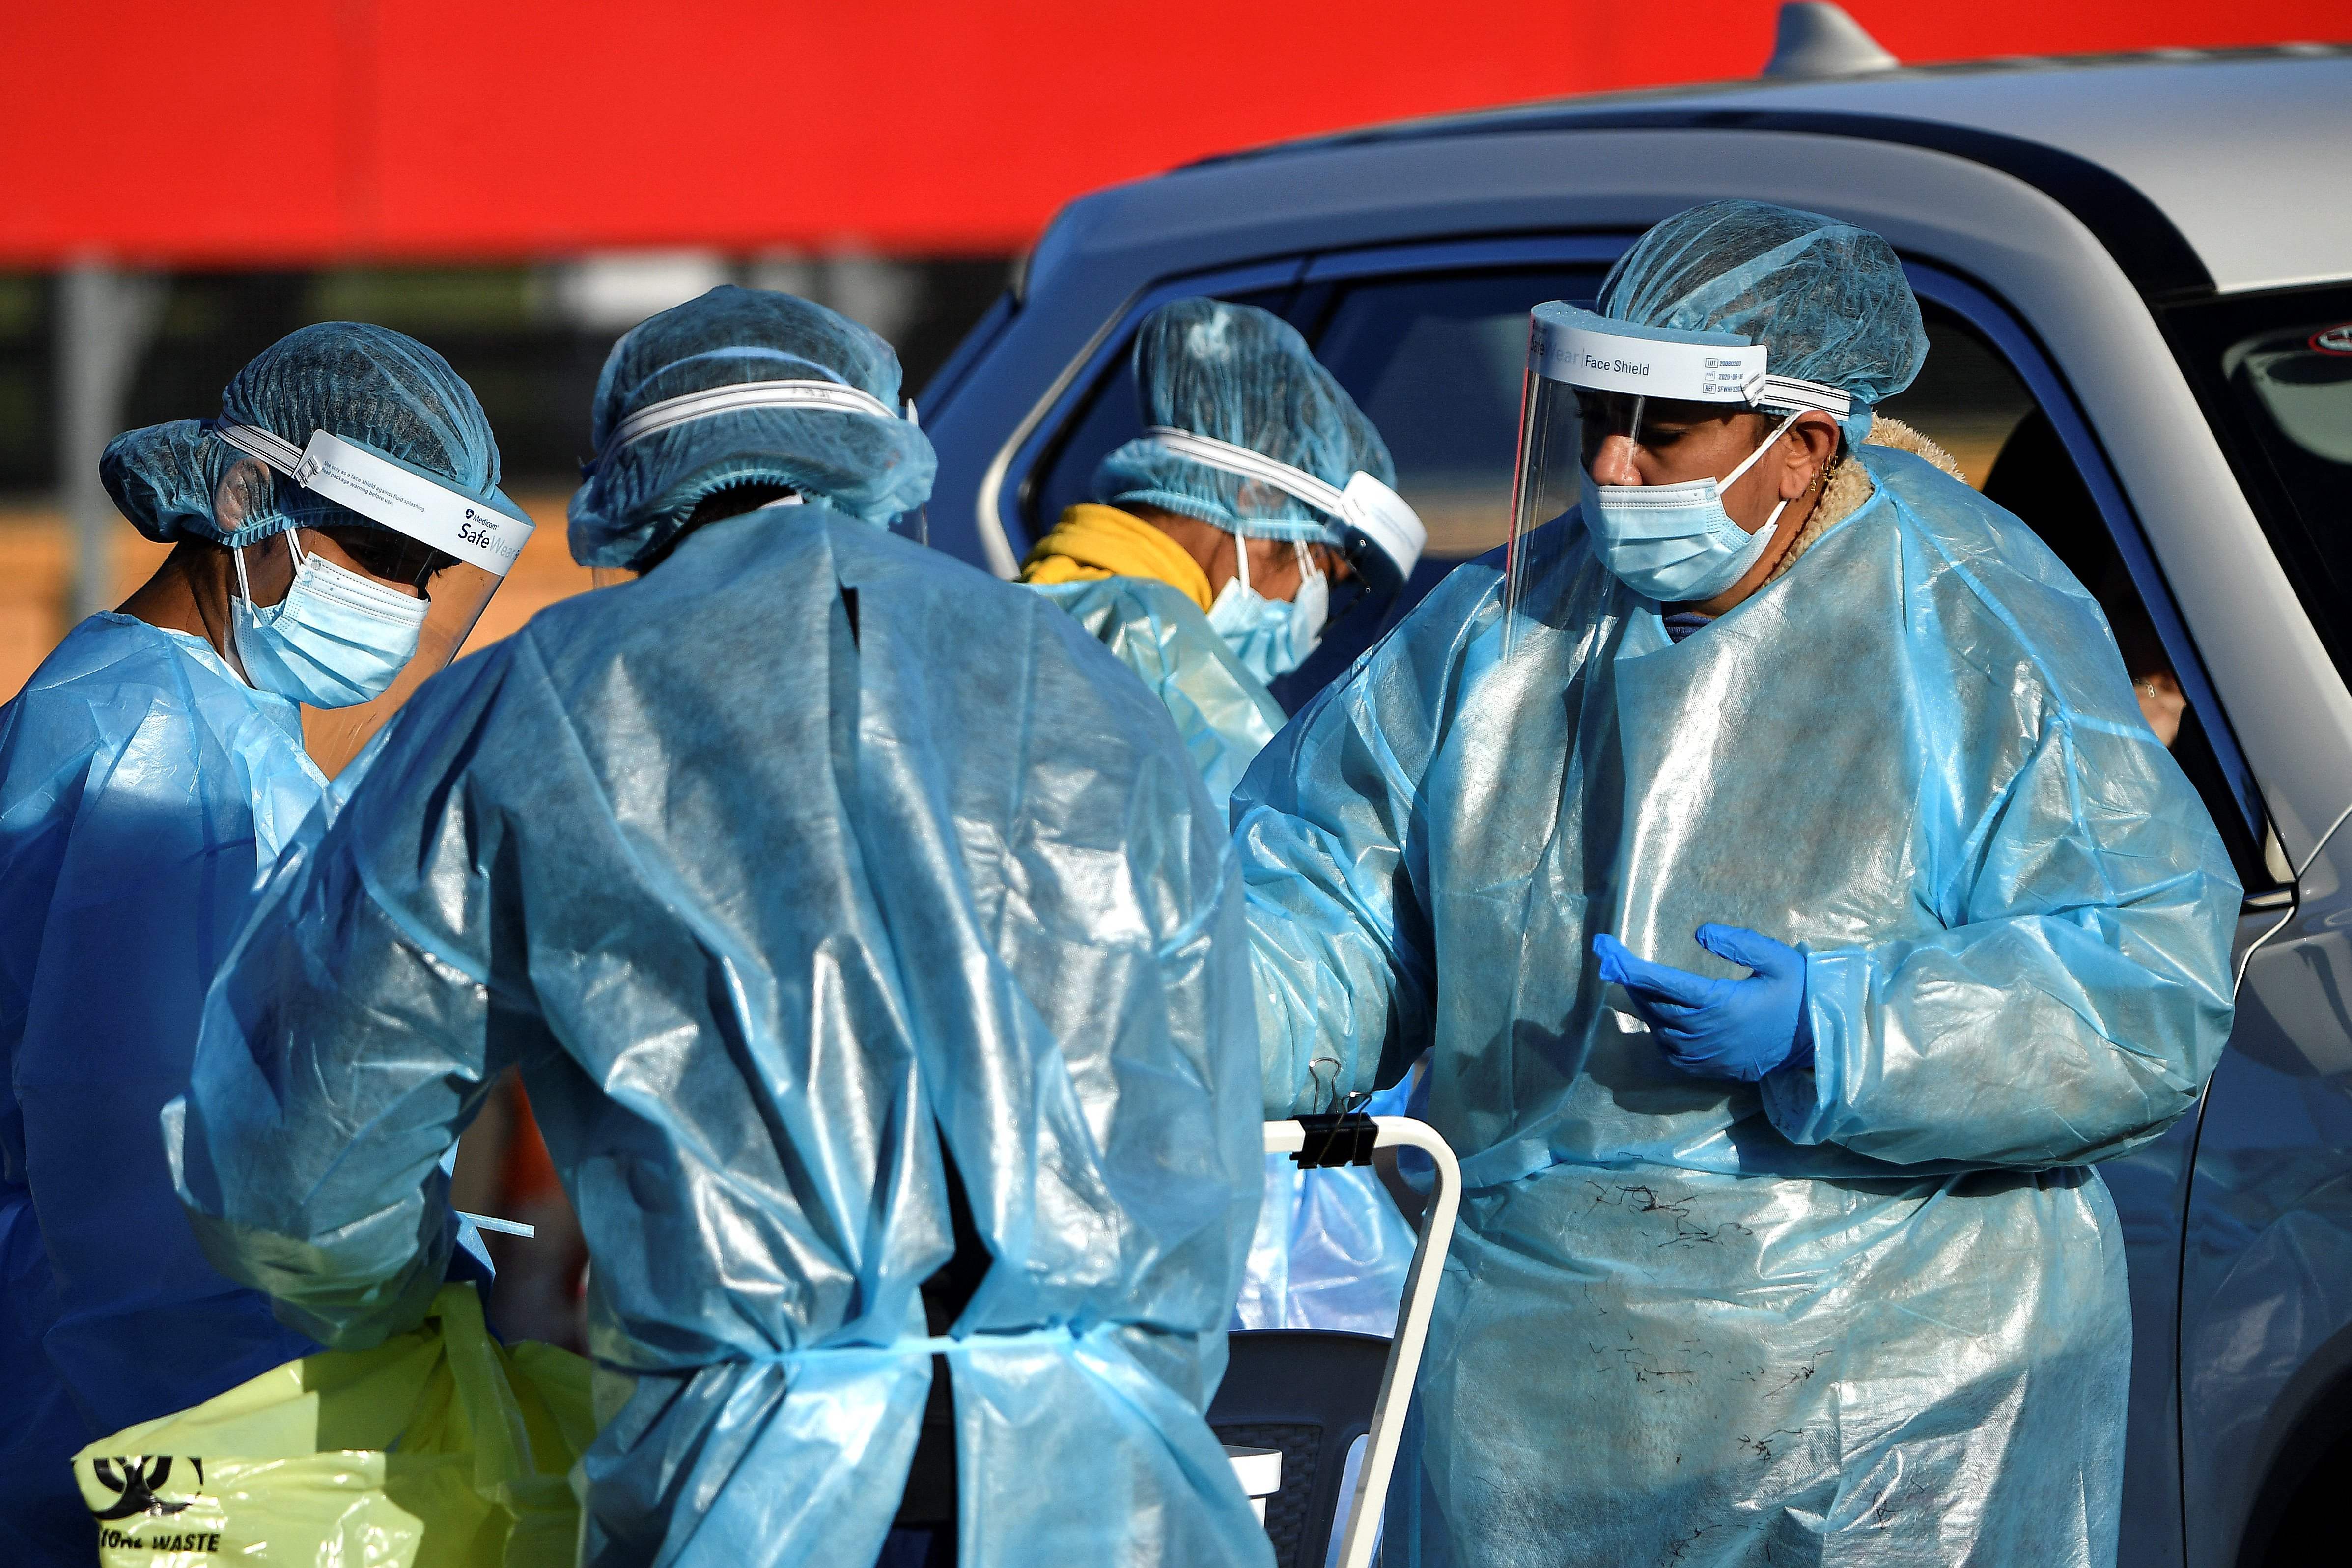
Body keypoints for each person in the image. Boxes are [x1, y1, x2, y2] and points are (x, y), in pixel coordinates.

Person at [165, 285, 1272, 1568]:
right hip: (1106, 1476)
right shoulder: (1085, 681)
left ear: (626, 483)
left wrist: (407, 1299)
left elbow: (300, 1173)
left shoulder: (541, 700)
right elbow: (1205, 1122)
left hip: (752, 1486)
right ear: (886, 449)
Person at [1233, 202, 2240, 1566]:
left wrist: (1847, 1025)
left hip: (1889, 1420)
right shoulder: (1498, 632)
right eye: (1598, 415)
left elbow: (2145, 990)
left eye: (1661, 429)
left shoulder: (1968, 615)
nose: (1607, 462)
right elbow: (1330, 904)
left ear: (1800, 445)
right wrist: (1187, 1016)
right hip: (1537, 1412)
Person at [0, 322, 520, 1567]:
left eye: (426, 575)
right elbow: (143, 1171)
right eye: (379, 552)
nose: (400, 602)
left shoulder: (194, 717)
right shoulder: (156, 747)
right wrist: (215, 1474)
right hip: (140, 1431)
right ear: (244, 498)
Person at [1019, 297, 1427, 1334]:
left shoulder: (1003, 624)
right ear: (1247, 505)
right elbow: (1283, 986)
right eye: (1319, 568)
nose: (1311, 609)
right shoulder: (1171, 677)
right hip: (1176, 1237)